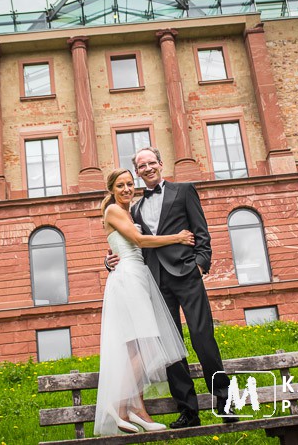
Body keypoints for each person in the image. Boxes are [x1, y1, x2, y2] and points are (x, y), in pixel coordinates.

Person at [105, 147, 236, 428]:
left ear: (161, 164)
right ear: (138, 172)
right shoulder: (134, 209)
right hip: (155, 282)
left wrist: (200, 265)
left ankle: (224, 402)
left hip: (187, 275)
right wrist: (109, 259)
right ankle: (188, 410)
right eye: (142, 166)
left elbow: (201, 232)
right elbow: (128, 241)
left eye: (151, 162)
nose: (148, 168)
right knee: (170, 347)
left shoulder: (184, 191)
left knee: (203, 338)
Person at [94, 168, 193, 435]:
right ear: (111, 189)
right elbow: (137, 240)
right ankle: (118, 405)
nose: (127, 189)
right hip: (129, 277)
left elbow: (118, 244)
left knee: (135, 348)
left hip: (136, 275)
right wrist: (179, 237)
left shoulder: (128, 212)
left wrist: (108, 257)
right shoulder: (114, 210)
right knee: (148, 345)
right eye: (121, 185)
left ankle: (137, 409)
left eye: (130, 184)